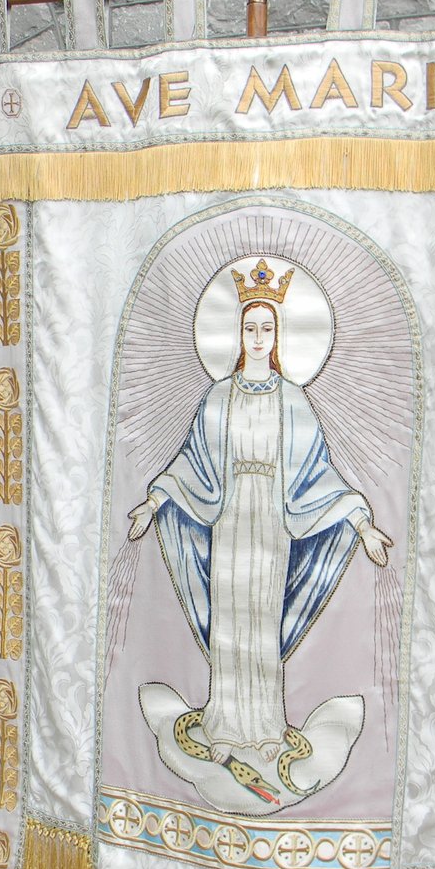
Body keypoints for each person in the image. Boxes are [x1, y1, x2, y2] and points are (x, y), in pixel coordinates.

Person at [127, 262, 391, 766]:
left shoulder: (293, 399)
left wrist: (363, 524)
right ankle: (224, 726)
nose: (257, 338)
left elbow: (318, 471)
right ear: (238, 333)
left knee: (262, 623)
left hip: (272, 518)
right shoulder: (218, 396)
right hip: (229, 519)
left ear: (277, 335)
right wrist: (153, 501)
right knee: (229, 621)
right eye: (250, 328)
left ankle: (266, 728)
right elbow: (191, 461)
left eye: (266, 328)